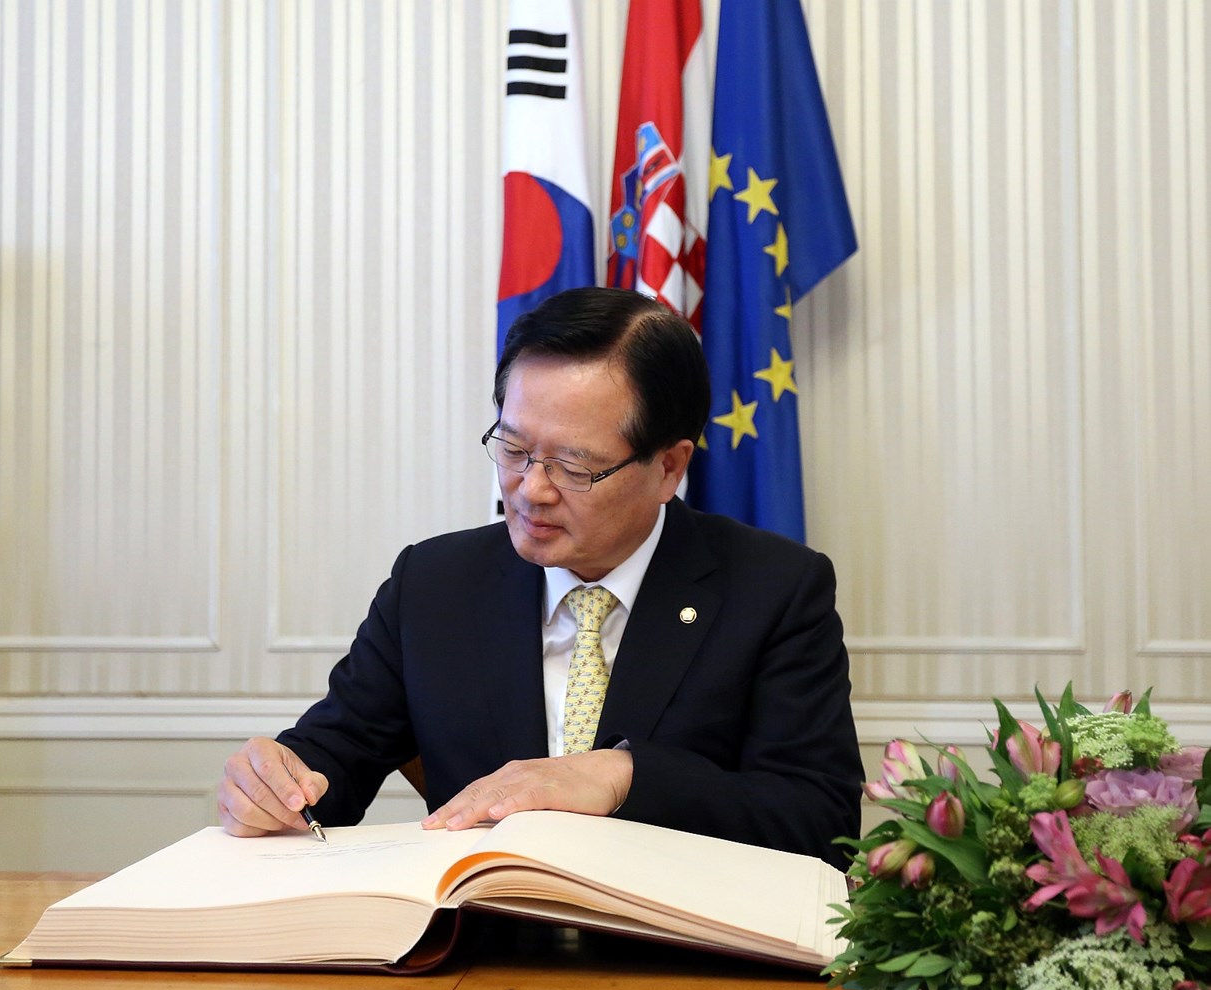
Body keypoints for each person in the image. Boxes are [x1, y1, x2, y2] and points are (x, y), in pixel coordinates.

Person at [217, 286, 862, 868]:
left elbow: (820, 821)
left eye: (574, 467)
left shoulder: (775, 589)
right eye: (514, 449)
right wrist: (276, 782)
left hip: (677, 949)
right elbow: (335, 755)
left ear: (669, 467)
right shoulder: (434, 585)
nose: (531, 490)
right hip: (476, 943)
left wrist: (624, 776)